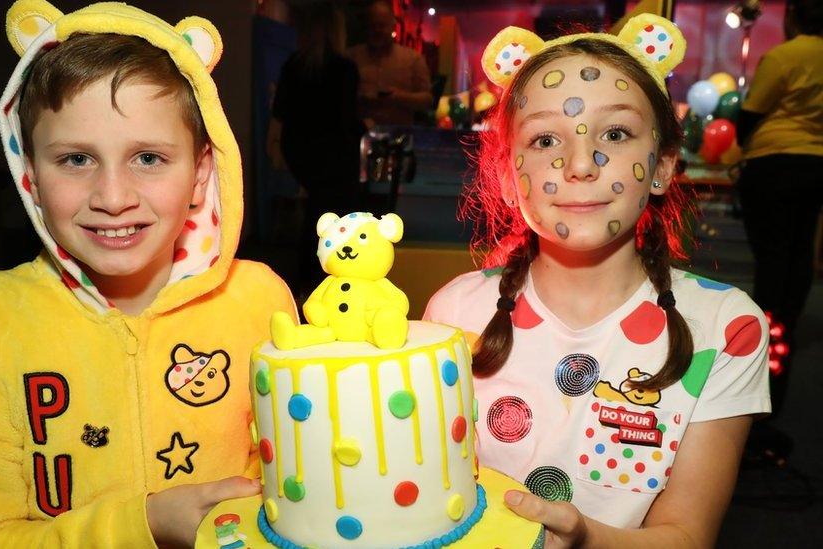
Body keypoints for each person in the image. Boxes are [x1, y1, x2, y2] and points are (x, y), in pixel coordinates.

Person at [0, 1, 295, 547]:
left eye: (148, 158)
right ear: (30, 176)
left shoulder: (260, 300)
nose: (113, 199)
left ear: (200, 174)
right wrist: (143, 525)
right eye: (76, 159)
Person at [424, 16, 769, 546]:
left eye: (615, 133)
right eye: (543, 139)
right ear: (507, 178)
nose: (580, 163)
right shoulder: (453, 314)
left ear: (663, 166)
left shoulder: (725, 329)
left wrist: (584, 535)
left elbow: (685, 535)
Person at [736, 0, 823, 418]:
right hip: (818, 163)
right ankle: (788, 313)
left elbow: (752, 114)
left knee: (771, 250)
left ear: (793, 16)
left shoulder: (785, 56)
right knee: (800, 245)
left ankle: (767, 325)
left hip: (776, 160)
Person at [269, 2, 365, 297]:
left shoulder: (294, 64)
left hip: (302, 151)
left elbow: (280, 113)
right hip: (335, 154)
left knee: (315, 214)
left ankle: (304, 284)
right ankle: (329, 282)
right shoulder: (344, 68)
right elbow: (346, 118)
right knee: (335, 217)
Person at [347, 0, 433, 127]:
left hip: (399, 137)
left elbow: (427, 100)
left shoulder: (413, 59)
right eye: (373, 26)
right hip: (358, 137)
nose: (377, 30)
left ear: (393, 26)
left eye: (381, 25)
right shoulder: (351, 57)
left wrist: (399, 97)